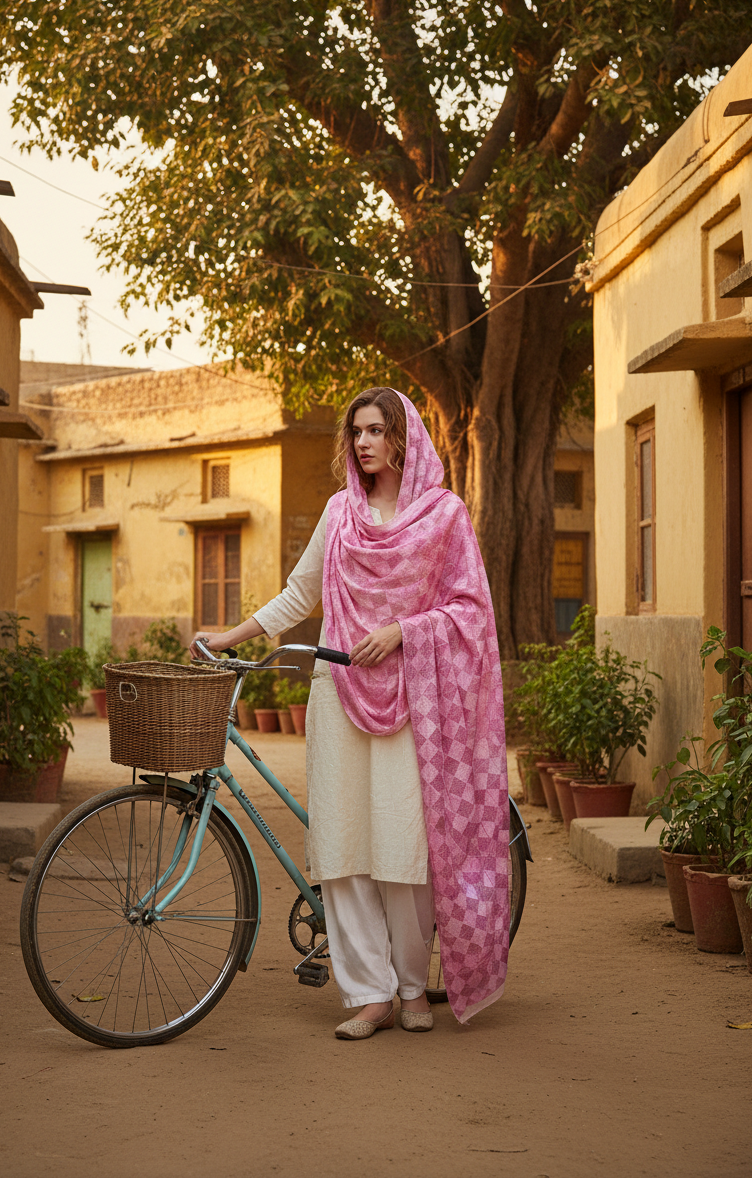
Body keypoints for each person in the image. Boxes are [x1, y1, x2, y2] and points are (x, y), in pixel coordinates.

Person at [191, 387, 509, 1039]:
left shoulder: (445, 517)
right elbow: (299, 594)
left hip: (416, 699)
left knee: (402, 848)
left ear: (402, 438)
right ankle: (370, 995)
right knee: (343, 848)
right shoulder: (340, 515)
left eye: (375, 430)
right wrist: (227, 638)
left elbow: (472, 609)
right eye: (356, 432)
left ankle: (413, 986)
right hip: (339, 693)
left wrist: (402, 630)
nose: (362, 442)